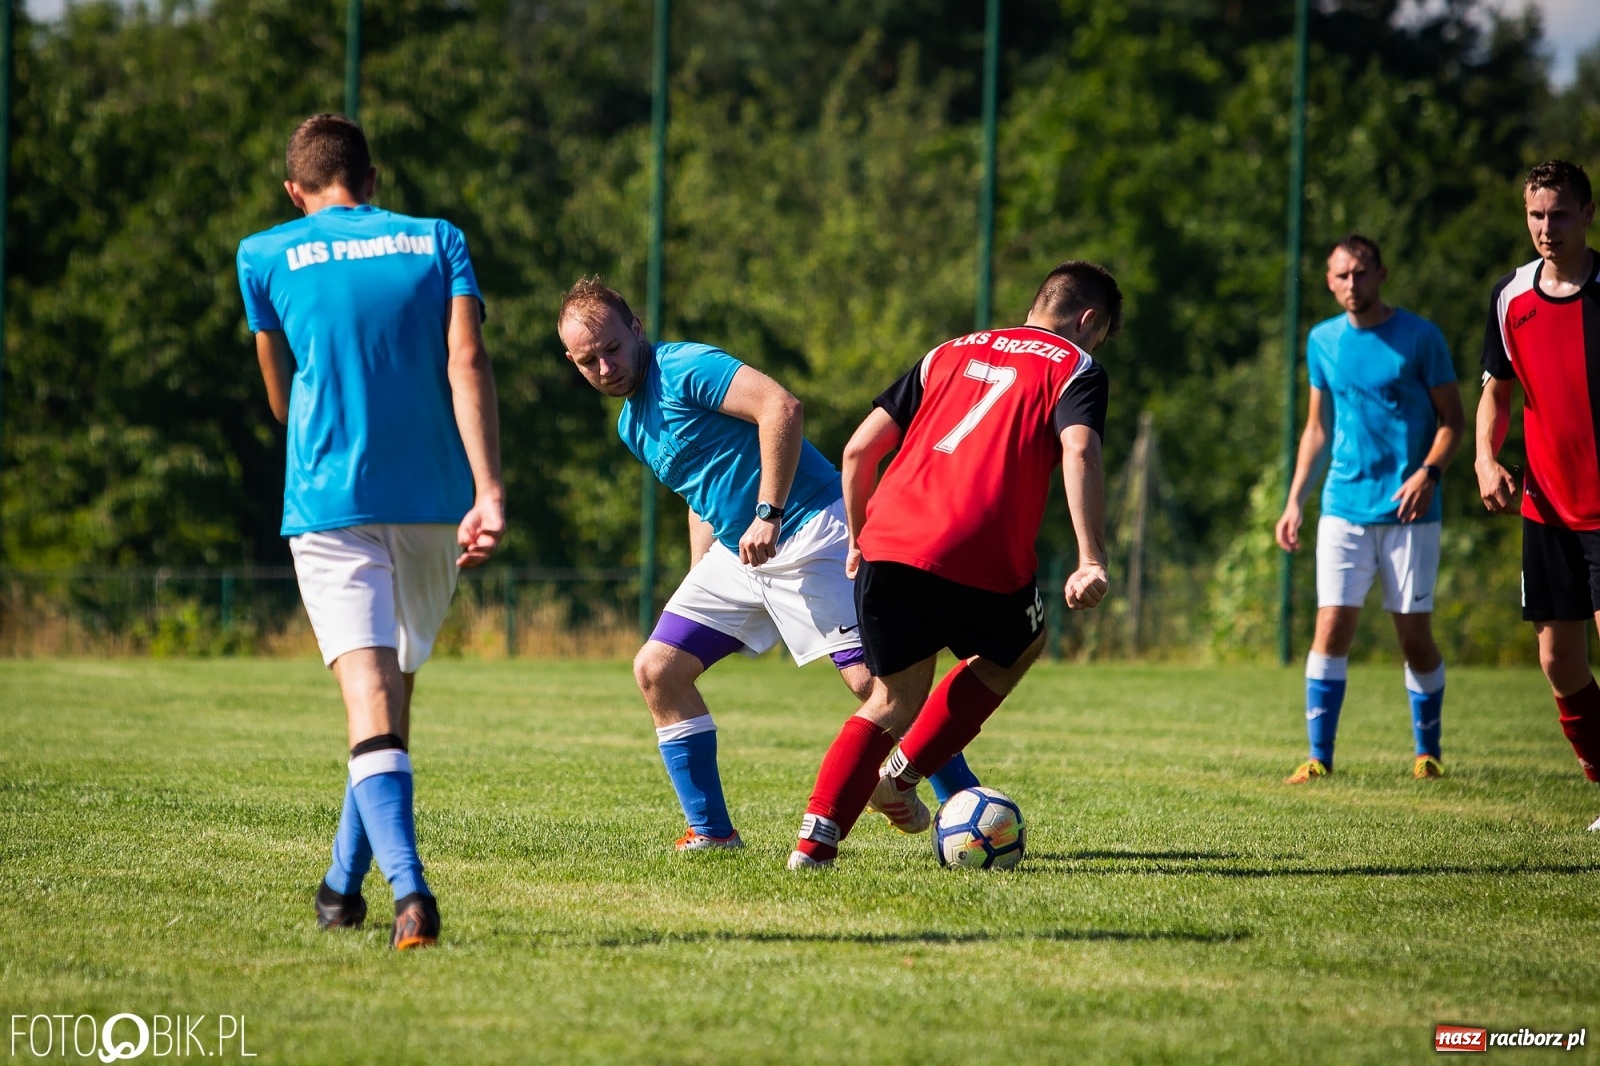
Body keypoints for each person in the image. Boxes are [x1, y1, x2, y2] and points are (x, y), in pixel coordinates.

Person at [556, 279, 981, 852]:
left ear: (635, 330)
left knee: (874, 684)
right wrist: (698, 571)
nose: (605, 367)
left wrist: (768, 512)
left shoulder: (684, 366)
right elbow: (699, 490)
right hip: (742, 553)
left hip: (809, 528)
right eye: (589, 361)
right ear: (573, 363)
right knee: (659, 670)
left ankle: (968, 807)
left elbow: (780, 407)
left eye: (611, 348)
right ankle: (711, 832)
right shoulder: (632, 424)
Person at [236, 114, 504, 949]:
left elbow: (278, 394)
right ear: (372, 177)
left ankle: (411, 894)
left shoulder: (264, 254)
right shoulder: (437, 239)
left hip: (329, 502)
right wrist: (488, 489)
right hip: (432, 501)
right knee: (391, 702)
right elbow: (468, 363)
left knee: (369, 702)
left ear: (295, 190)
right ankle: (338, 887)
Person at [786, 260, 1116, 870]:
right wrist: (1089, 555)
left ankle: (813, 845)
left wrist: (860, 540)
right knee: (1018, 648)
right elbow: (1080, 448)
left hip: (888, 539)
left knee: (890, 699)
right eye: (1098, 335)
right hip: (976, 546)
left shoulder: (949, 351)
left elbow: (859, 449)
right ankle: (902, 777)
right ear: (1089, 320)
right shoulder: (1076, 366)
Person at [1274, 235, 1463, 783]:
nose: (1351, 284)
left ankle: (1427, 752)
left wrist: (1429, 473)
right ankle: (1319, 758)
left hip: (1410, 511)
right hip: (1343, 505)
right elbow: (1316, 429)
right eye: (1341, 276)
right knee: (1330, 628)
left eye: (1360, 273)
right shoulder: (1322, 341)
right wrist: (1294, 502)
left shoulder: (1420, 337)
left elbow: (1453, 420)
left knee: (1413, 637)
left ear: (1382, 274)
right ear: (1329, 282)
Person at [1478, 159, 1600, 821]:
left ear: (1587, 214)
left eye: (1558, 214)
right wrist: (1483, 460)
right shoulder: (1510, 297)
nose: (1546, 227)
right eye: (1535, 215)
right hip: (1547, 508)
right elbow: (1495, 393)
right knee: (1559, 661)